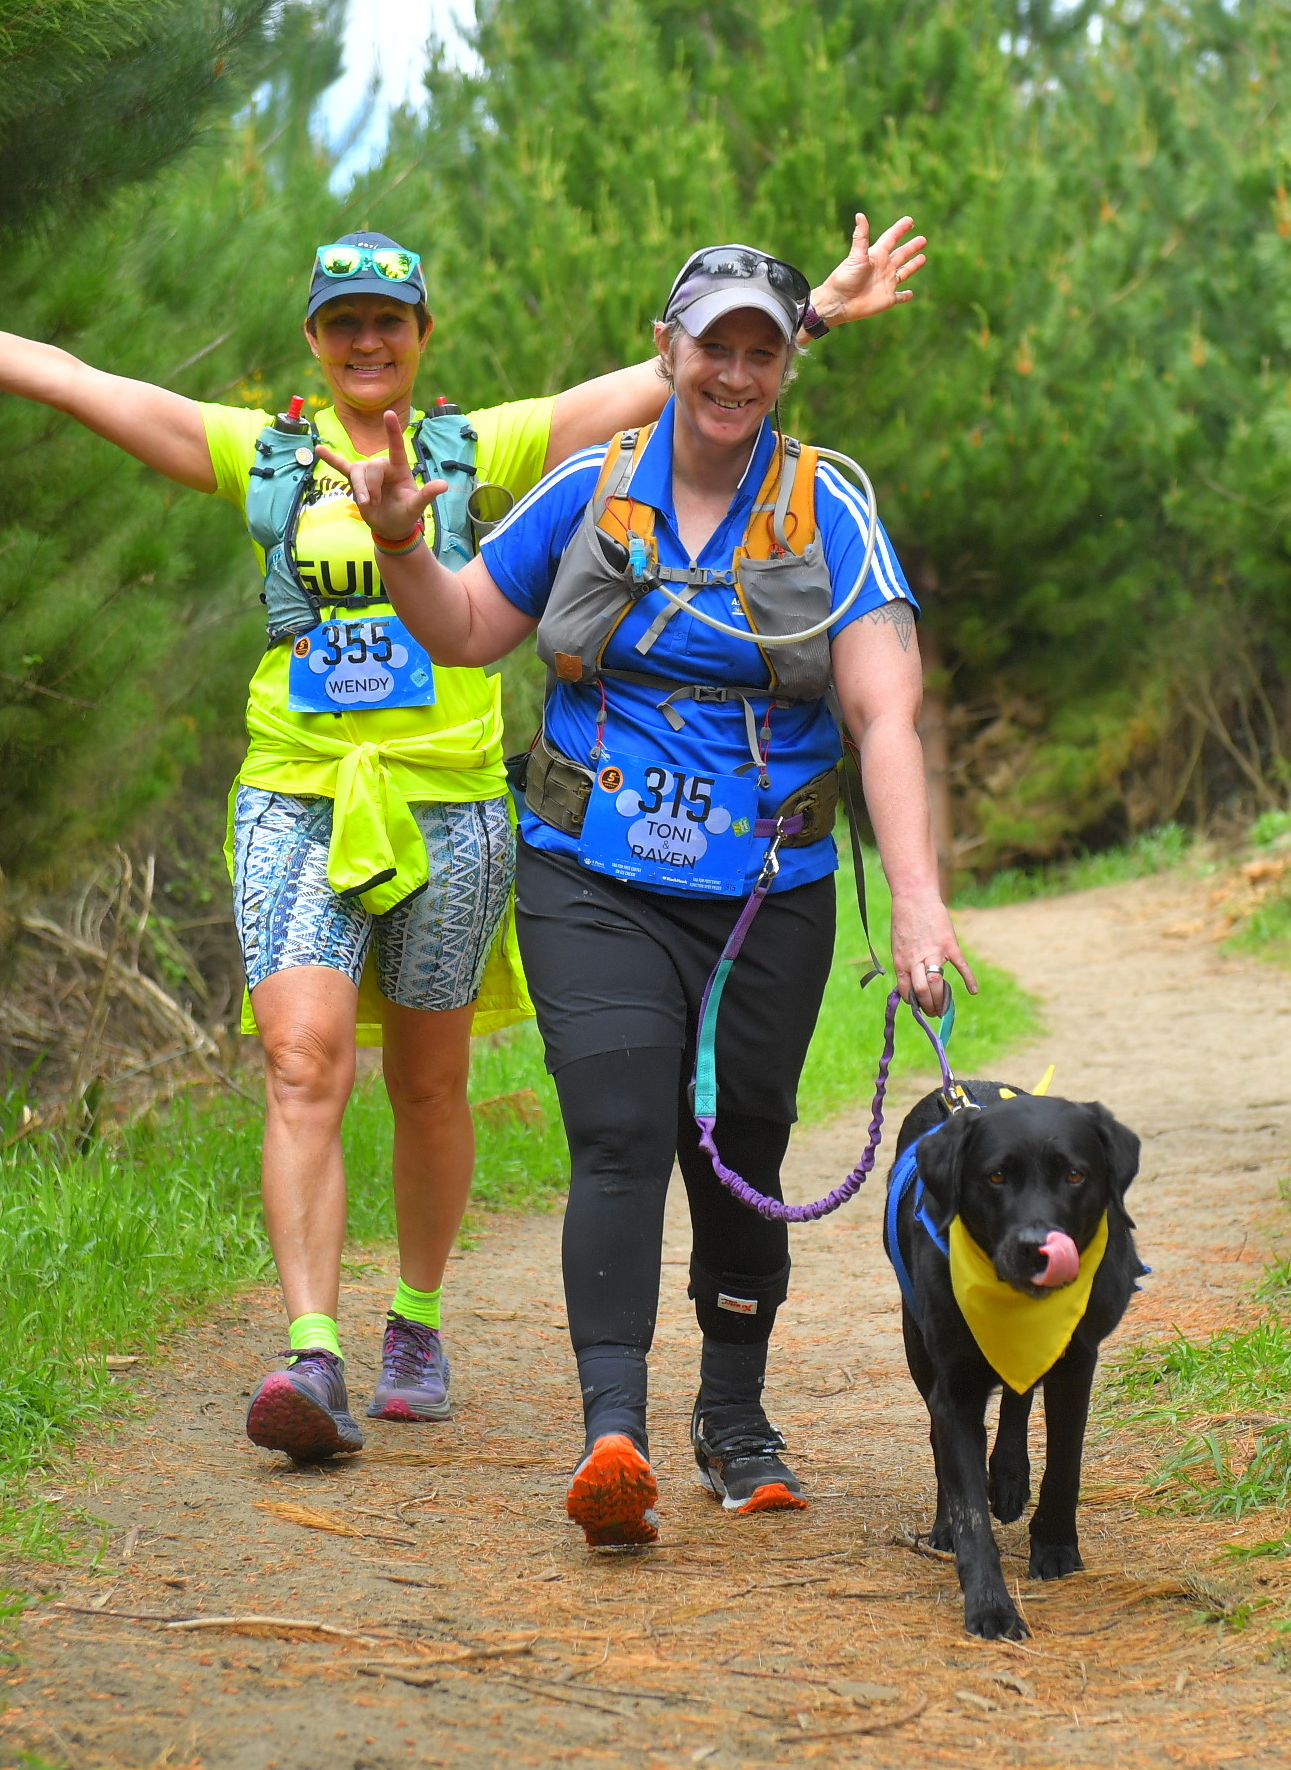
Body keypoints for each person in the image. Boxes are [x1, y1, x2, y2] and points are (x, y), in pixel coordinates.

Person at [0, 218, 927, 1461]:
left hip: (454, 803)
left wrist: (821, 313)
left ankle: (415, 1316)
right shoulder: (268, 453)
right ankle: (312, 1349)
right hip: (302, 793)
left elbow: (688, 380)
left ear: (421, 336)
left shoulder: (485, 447)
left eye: (390, 319)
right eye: (343, 320)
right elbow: (94, 387)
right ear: (313, 339)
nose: (368, 338)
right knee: (301, 1060)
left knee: (430, 1082)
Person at [325, 241, 972, 1545]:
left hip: (766, 891)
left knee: (739, 1150)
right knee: (618, 1129)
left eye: (761, 349)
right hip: (592, 875)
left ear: (789, 362)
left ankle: (731, 1417)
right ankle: (609, 1431)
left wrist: (915, 896)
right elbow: (457, 626)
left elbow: (884, 711)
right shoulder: (587, 489)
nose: (733, 372)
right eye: (711, 345)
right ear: (666, 347)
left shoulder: (827, 509)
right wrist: (400, 541)